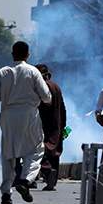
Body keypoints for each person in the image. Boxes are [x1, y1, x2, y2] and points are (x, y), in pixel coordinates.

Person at [0, 41, 52, 204]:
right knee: (36, 149)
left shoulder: (2, 72)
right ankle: (25, 180)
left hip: (7, 115)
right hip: (29, 114)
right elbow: (47, 97)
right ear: (28, 55)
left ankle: (6, 193)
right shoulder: (33, 71)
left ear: (12, 54)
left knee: (8, 154)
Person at [35, 64, 66, 192]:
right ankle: (52, 182)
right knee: (55, 153)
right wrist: (63, 124)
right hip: (56, 124)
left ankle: (48, 171)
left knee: (40, 150)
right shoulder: (56, 86)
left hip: (44, 123)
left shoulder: (43, 87)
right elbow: (63, 108)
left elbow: (39, 106)